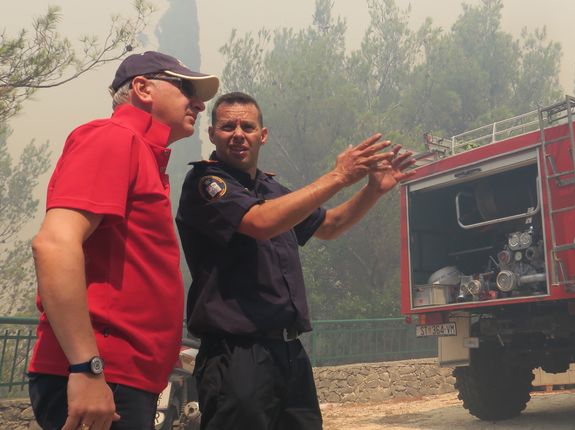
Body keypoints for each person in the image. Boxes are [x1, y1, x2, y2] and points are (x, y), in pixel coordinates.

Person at [176, 91, 415, 429]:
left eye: (248, 126)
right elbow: (261, 223)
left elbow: (330, 226)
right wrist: (339, 176)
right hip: (237, 355)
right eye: (228, 126)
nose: (238, 134)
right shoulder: (206, 184)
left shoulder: (273, 191)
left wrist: (373, 189)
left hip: (288, 351)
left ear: (264, 135)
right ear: (213, 134)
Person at [28, 51, 219, 430]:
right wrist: (87, 367)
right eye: (185, 88)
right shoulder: (113, 138)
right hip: (102, 376)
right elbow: (53, 245)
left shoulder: (145, 155)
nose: (198, 103)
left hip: (122, 378)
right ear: (143, 88)